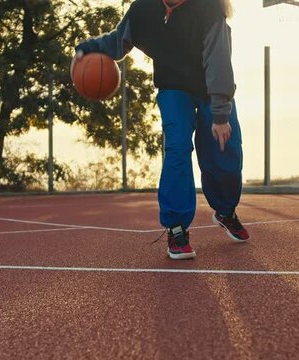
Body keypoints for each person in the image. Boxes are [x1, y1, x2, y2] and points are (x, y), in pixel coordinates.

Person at [74, 0, 249, 260]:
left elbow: (219, 61)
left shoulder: (209, 9)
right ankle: (177, 228)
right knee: (177, 147)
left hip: (212, 88)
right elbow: (118, 42)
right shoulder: (143, 9)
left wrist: (221, 114)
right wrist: (87, 48)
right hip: (173, 88)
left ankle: (225, 210)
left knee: (224, 151)